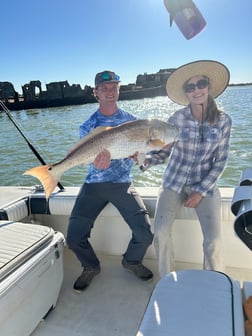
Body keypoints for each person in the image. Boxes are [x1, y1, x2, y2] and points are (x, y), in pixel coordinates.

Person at [140, 60, 232, 277]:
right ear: (186, 93)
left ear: (208, 86)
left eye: (201, 84)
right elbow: (163, 152)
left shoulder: (224, 121)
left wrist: (200, 191)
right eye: (190, 87)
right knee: (160, 233)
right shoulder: (176, 119)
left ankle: (214, 282)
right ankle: (165, 280)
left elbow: (221, 161)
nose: (197, 90)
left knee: (214, 241)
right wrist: (143, 160)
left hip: (205, 186)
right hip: (173, 182)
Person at [66, 70, 154, 292]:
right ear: (96, 92)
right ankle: (90, 266)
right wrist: (96, 162)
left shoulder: (134, 122)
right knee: (74, 237)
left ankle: (131, 261)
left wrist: (139, 158)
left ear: (119, 90)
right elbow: (85, 156)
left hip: (123, 183)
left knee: (145, 234)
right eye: (104, 88)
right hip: (93, 185)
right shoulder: (88, 125)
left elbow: (143, 159)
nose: (109, 92)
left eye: (113, 87)